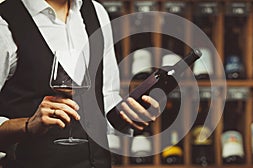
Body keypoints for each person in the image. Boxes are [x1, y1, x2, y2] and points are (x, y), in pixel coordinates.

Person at [0, 0, 160, 167]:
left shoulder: (96, 12)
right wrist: (27, 125)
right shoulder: (4, 20)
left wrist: (128, 115)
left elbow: (107, 96)